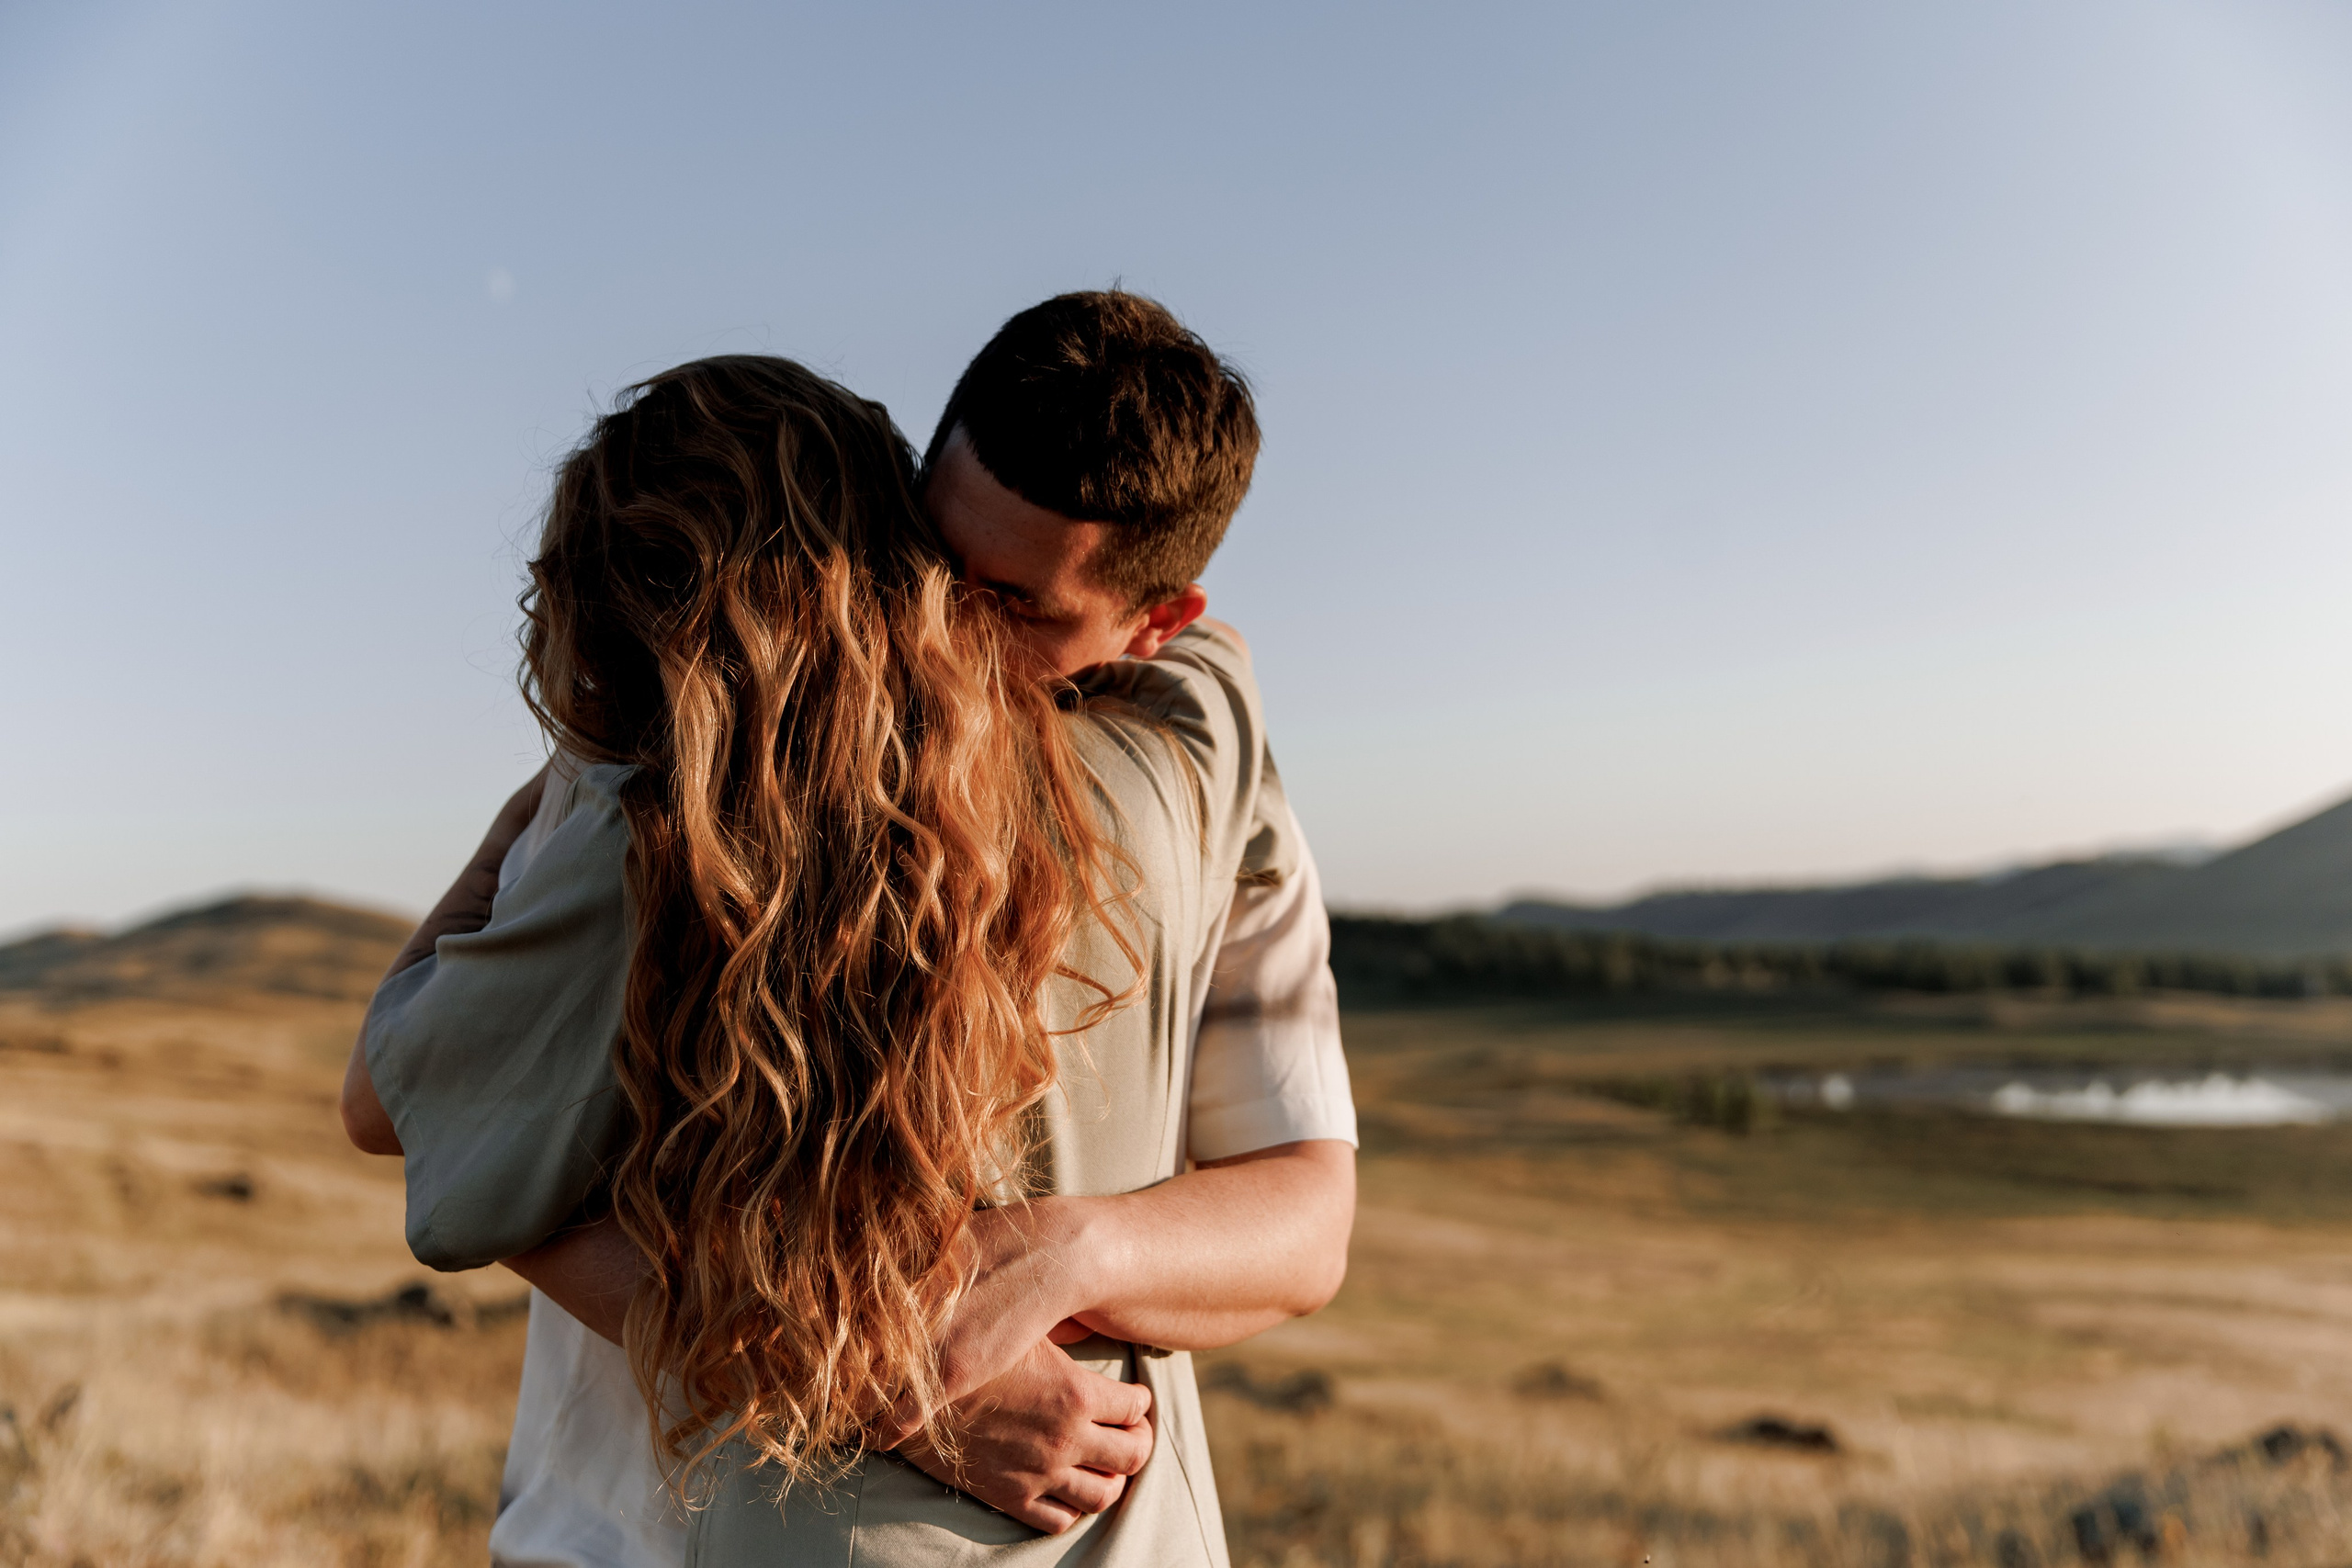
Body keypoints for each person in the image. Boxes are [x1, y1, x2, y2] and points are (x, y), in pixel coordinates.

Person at [343, 308, 1351, 1564]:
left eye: (1016, 608)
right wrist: (884, 1373)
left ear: (1154, 622)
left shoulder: (685, 801)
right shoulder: (1202, 739)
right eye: (924, 557)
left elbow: (421, 1119)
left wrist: (1062, 1252)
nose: (945, 625)